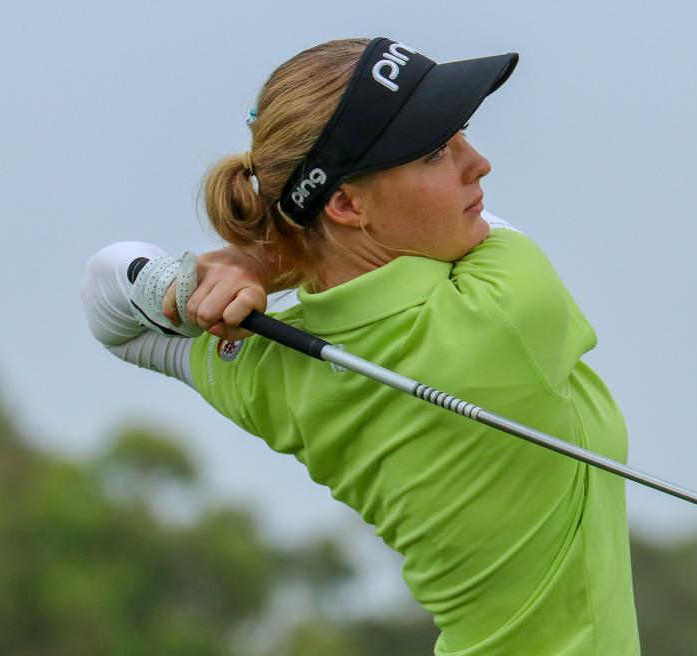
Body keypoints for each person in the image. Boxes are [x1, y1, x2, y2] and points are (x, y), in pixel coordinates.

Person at [80, 37, 640, 654]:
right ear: (345, 203)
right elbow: (494, 224)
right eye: (433, 152)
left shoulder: (272, 367)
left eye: (461, 134)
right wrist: (263, 263)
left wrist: (219, 276)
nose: (477, 162)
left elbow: (112, 307)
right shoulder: (508, 311)